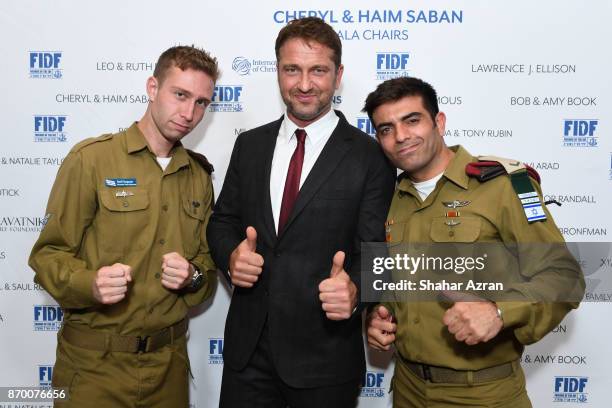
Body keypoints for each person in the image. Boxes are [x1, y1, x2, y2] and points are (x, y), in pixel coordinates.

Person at [207, 17, 396, 408]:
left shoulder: (371, 156)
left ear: (338, 75)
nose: (304, 84)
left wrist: (356, 291)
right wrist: (231, 257)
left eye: (318, 70)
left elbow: (377, 251)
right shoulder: (251, 146)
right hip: (248, 358)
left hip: (325, 360)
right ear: (278, 71)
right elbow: (223, 221)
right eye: (292, 69)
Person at [363, 76, 585, 407]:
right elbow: (397, 279)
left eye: (412, 120)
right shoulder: (392, 197)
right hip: (407, 389)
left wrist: (498, 312)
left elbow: (565, 277)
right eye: (386, 129)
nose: (401, 136)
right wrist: (380, 314)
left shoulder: (505, 184)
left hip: (482, 394)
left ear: (439, 121)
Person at [28, 45, 219, 408]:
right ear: (152, 87)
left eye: (201, 103)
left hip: (169, 368)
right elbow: (47, 256)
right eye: (180, 94)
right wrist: (90, 284)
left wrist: (192, 277)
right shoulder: (92, 160)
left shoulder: (198, 176)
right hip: (94, 368)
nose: (189, 112)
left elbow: (206, 274)